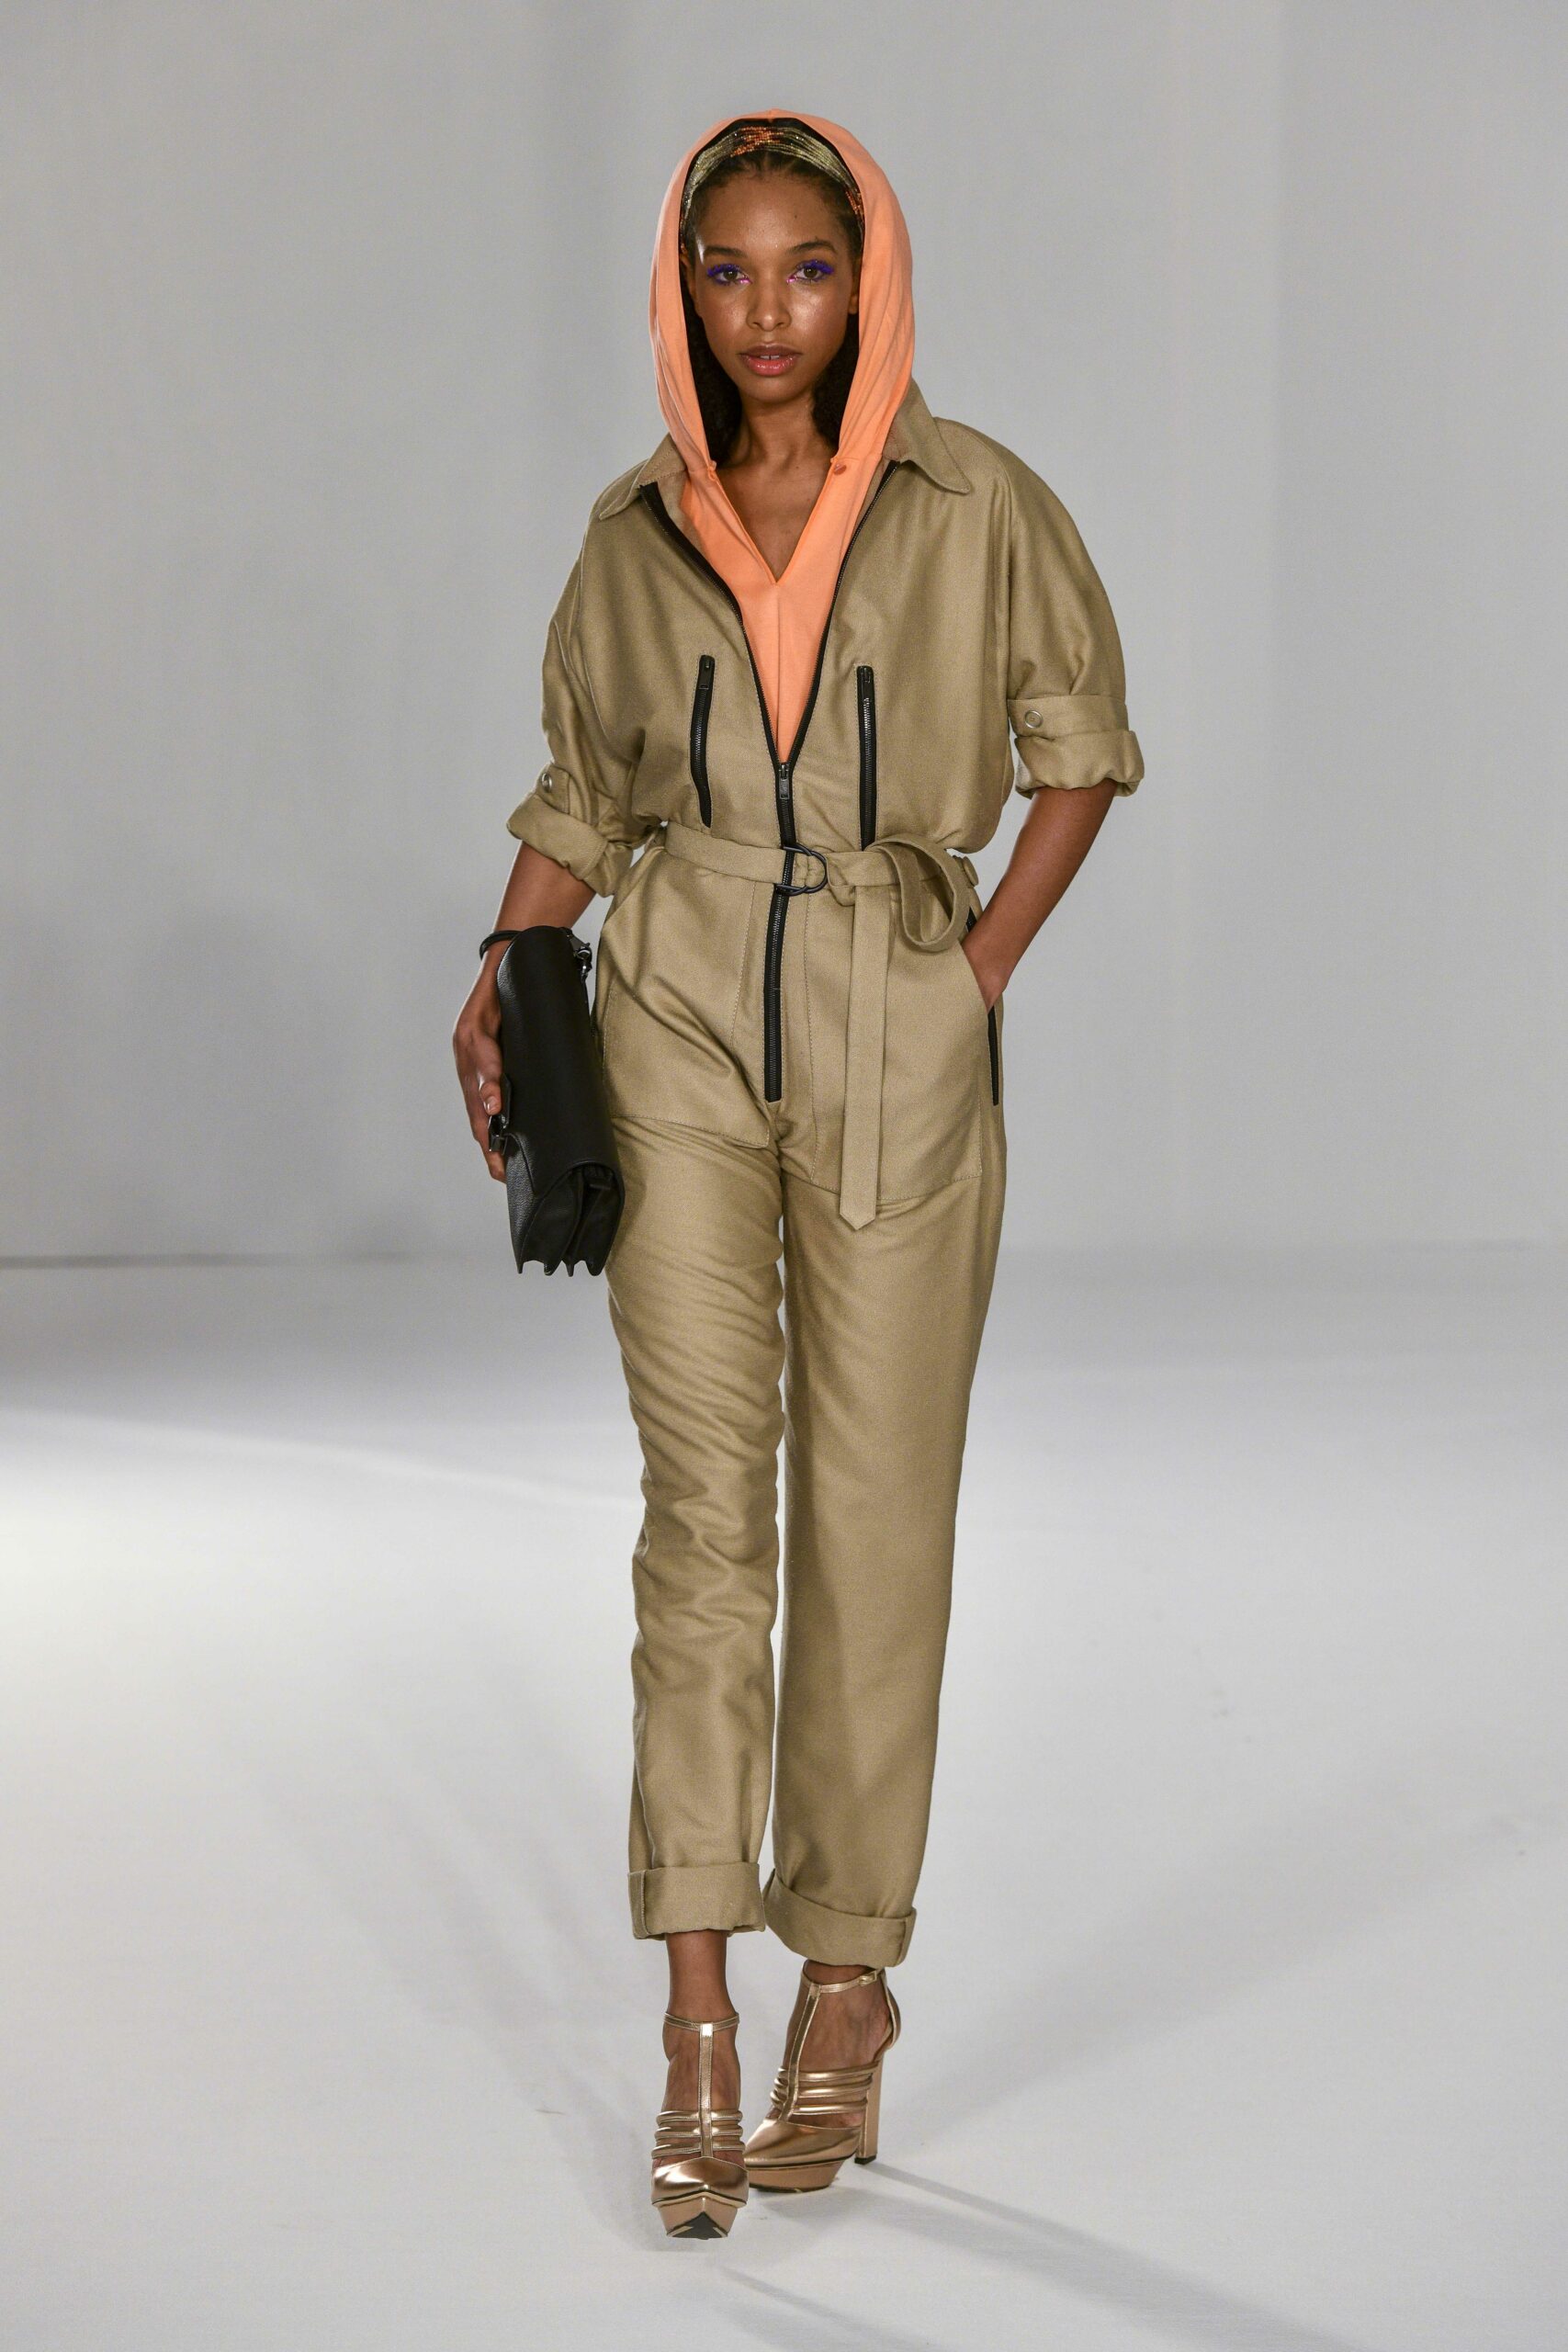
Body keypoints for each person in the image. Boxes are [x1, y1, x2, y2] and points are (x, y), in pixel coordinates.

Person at [452, 107, 1144, 2238]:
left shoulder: (978, 502)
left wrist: (973, 972)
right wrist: (499, 965)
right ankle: (694, 2018)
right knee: (701, 1517)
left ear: (868, 282)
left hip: (892, 1034)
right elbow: (584, 792)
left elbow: (1079, 744)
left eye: (806, 268)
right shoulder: (631, 529)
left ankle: (843, 1979)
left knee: (870, 1512)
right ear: (683, 288)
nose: (766, 312)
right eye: (726, 269)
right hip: (665, 1018)